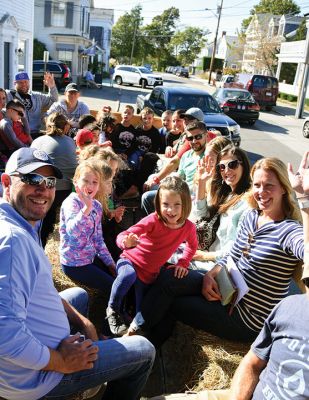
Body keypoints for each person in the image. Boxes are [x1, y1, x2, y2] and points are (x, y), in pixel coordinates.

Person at [0, 147, 155, 400]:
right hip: (35, 379)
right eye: (32, 179)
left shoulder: (21, 222)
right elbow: (4, 333)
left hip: (37, 349)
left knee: (79, 295)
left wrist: (84, 323)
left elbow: (94, 244)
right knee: (144, 350)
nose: (43, 189)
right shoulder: (13, 241)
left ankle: (90, 350)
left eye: (49, 182)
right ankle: (84, 371)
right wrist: (61, 361)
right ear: (7, 182)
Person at [127, 156, 305, 345]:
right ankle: (137, 332)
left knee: (172, 303)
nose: (261, 192)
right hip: (226, 288)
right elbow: (232, 255)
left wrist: (304, 198)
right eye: (257, 185)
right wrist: (210, 276)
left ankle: (141, 343)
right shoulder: (252, 216)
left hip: (243, 316)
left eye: (269, 185)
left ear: (285, 189)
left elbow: (307, 250)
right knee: (170, 275)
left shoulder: (289, 230)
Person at [106, 175, 198, 336]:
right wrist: (125, 243)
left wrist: (183, 262)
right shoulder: (153, 220)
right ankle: (112, 309)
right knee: (127, 276)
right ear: (158, 204)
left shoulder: (188, 227)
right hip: (130, 261)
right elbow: (124, 235)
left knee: (142, 311)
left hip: (149, 274)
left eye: (177, 205)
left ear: (186, 204)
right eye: (166, 205)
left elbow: (192, 245)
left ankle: (126, 319)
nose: (171, 210)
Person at [60, 158, 116, 296]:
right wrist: (85, 209)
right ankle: (116, 313)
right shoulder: (70, 203)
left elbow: (98, 239)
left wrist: (110, 263)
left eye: (94, 182)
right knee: (113, 285)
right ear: (76, 181)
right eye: (85, 180)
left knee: (119, 276)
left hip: (90, 257)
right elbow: (73, 231)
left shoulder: (96, 206)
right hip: (74, 263)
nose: (90, 186)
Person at [191, 144, 251, 271]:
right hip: (209, 256)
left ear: (243, 166)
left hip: (221, 266)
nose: (227, 170)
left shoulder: (246, 203)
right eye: (222, 167)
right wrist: (202, 183)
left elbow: (238, 249)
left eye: (232, 164)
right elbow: (201, 214)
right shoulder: (227, 193)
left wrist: (204, 256)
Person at [31, 112, 78, 246]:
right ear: (65, 127)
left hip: (46, 189)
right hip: (66, 192)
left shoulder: (38, 141)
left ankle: (40, 243)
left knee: (44, 220)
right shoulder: (70, 141)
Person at [142, 120, 208, 215]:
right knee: (150, 191)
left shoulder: (209, 155)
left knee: (148, 198)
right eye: (190, 138)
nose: (194, 141)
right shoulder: (186, 155)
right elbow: (180, 176)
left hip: (195, 197)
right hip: (181, 192)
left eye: (198, 137)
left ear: (206, 135)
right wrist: (162, 182)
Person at [6, 71, 58, 139]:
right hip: (17, 135)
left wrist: (52, 87)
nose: (24, 84)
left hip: (36, 134)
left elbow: (53, 101)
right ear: (15, 83)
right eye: (20, 82)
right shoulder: (9, 95)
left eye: (26, 82)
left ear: (29, 82)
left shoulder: (37, 96)